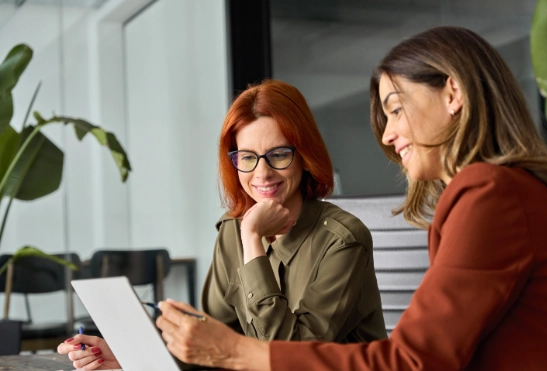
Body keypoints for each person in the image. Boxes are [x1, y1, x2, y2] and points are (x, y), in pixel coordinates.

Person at [150, 26, 547, 370]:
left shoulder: (492, 193)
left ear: (453, 93)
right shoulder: (503, 191)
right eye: (246, 158)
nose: (389, 134)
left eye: (396, 109)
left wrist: (233, 351)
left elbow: (414, 359)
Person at [58, 80, 386, 370]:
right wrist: (129, 357)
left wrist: (253, 239)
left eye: (279, 154)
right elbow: (211, 344)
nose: (262, 173)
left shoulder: (343, 240)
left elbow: (290, 357)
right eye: (247, 157)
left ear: (304, 155)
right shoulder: (232, 230)